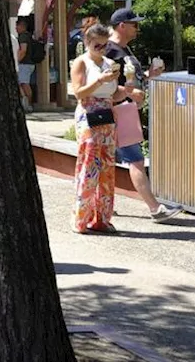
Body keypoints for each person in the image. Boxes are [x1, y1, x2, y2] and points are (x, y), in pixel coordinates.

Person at [105, 8, 183, 223]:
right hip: (120, 112)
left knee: (108, 160)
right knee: (136, 160)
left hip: (125, 111)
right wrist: (130, 92)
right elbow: (107, 87)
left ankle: (104, 203)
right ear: (122, 25)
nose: (137, 28)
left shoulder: (123, 48)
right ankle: (155, 209)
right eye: (134, 24)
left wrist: (149, 75)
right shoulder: (110, 51)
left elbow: (131, 79)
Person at [72, 22, 126, 233]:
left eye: (104, 46)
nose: (101, 49)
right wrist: (100, 81)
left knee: (106, 167)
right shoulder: (81, 63)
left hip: (107, 114)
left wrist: (127, 90)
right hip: (88, 114)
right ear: (87, 43)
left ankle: (102, 218)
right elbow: (78, 92)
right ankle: (81, 219)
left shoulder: (109, 63)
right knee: (89, 165)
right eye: (97, 46)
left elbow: (114, 94)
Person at [15, 16, 35, 112]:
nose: (16, 28)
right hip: (28, 64)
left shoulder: (23, 36)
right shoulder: (29, 36)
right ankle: (25, 102)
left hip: (24, 64)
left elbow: (23, 50)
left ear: (22, 26)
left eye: (17, 26)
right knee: (21, 83)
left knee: (24, 84)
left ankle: (29, 104)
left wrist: (17, 60)